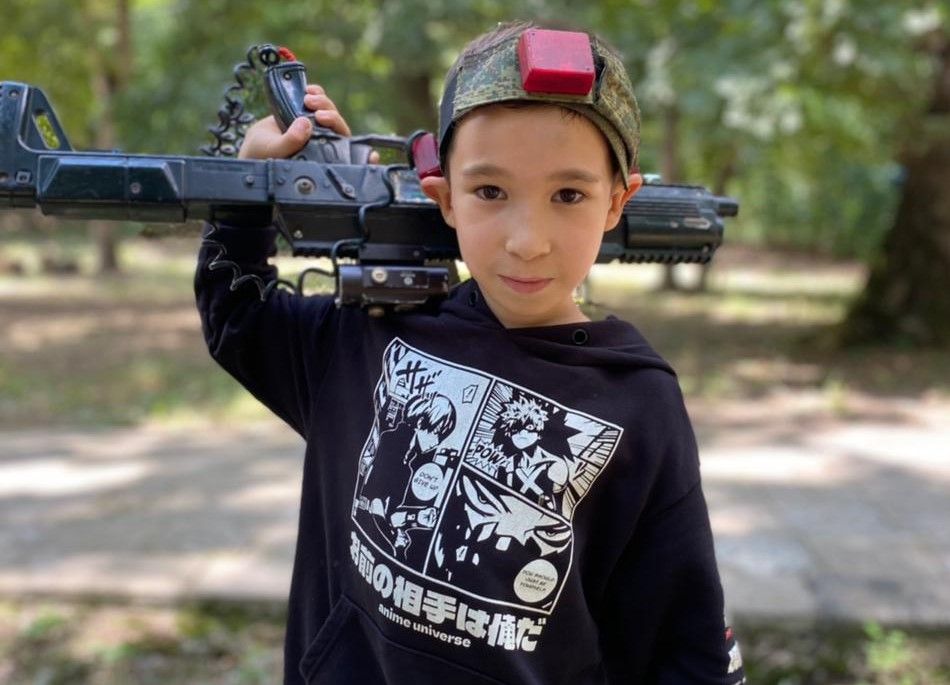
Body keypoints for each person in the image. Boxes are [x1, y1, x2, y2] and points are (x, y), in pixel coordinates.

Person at [195, 19, 746, 685]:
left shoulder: (640, 402)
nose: (527, 240)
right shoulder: (372, 336)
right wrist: (250, 191)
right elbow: (239, 318)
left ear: (616, 201)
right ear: (444, 196)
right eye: (490, 191)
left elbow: (685, 644)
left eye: (568, 194)